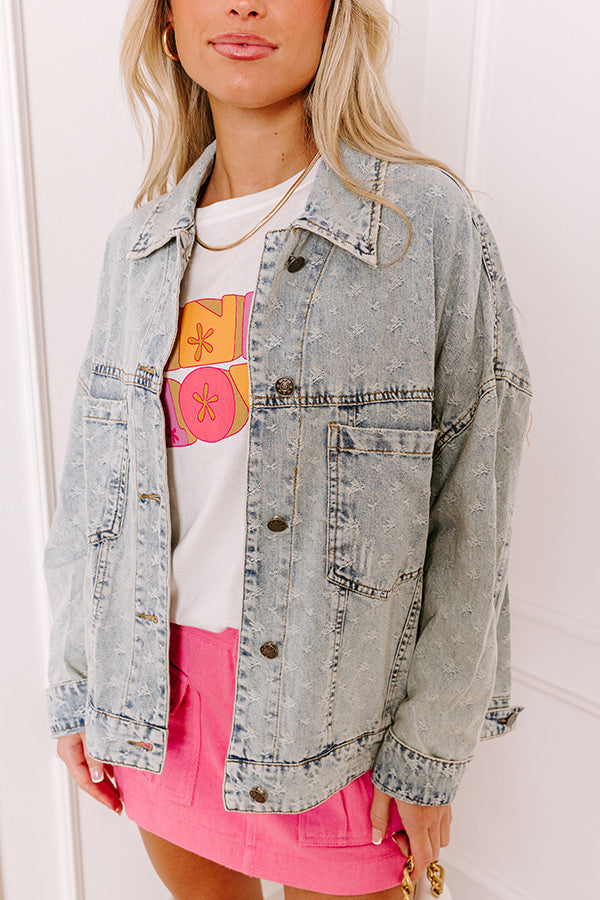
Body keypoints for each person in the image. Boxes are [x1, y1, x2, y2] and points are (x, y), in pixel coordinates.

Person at [44, 1, 532, 898]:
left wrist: (430, 751)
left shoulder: (420, 224)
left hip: (337, 713)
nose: (244, 5)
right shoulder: (138, 247)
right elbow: (91, 491)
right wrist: (77, 686)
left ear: (336, 15)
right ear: (167, 25)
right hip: (158, 700)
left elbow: (475, 504)